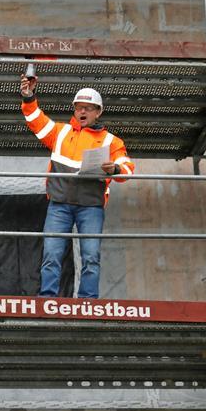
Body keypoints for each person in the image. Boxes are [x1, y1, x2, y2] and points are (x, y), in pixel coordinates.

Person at [21, 75, 134, 299]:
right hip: (59, 205)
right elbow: (35, 120)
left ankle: (88, 301)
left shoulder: (112, 141)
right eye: (79, 107)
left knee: (91, 256)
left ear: (98, 112)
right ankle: (47, 299)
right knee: (52, 254)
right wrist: (28, 97)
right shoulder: (60, 133)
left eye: (89, 108)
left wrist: (115, 170)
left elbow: (127, 167)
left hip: (90, 207)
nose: (83, 112)